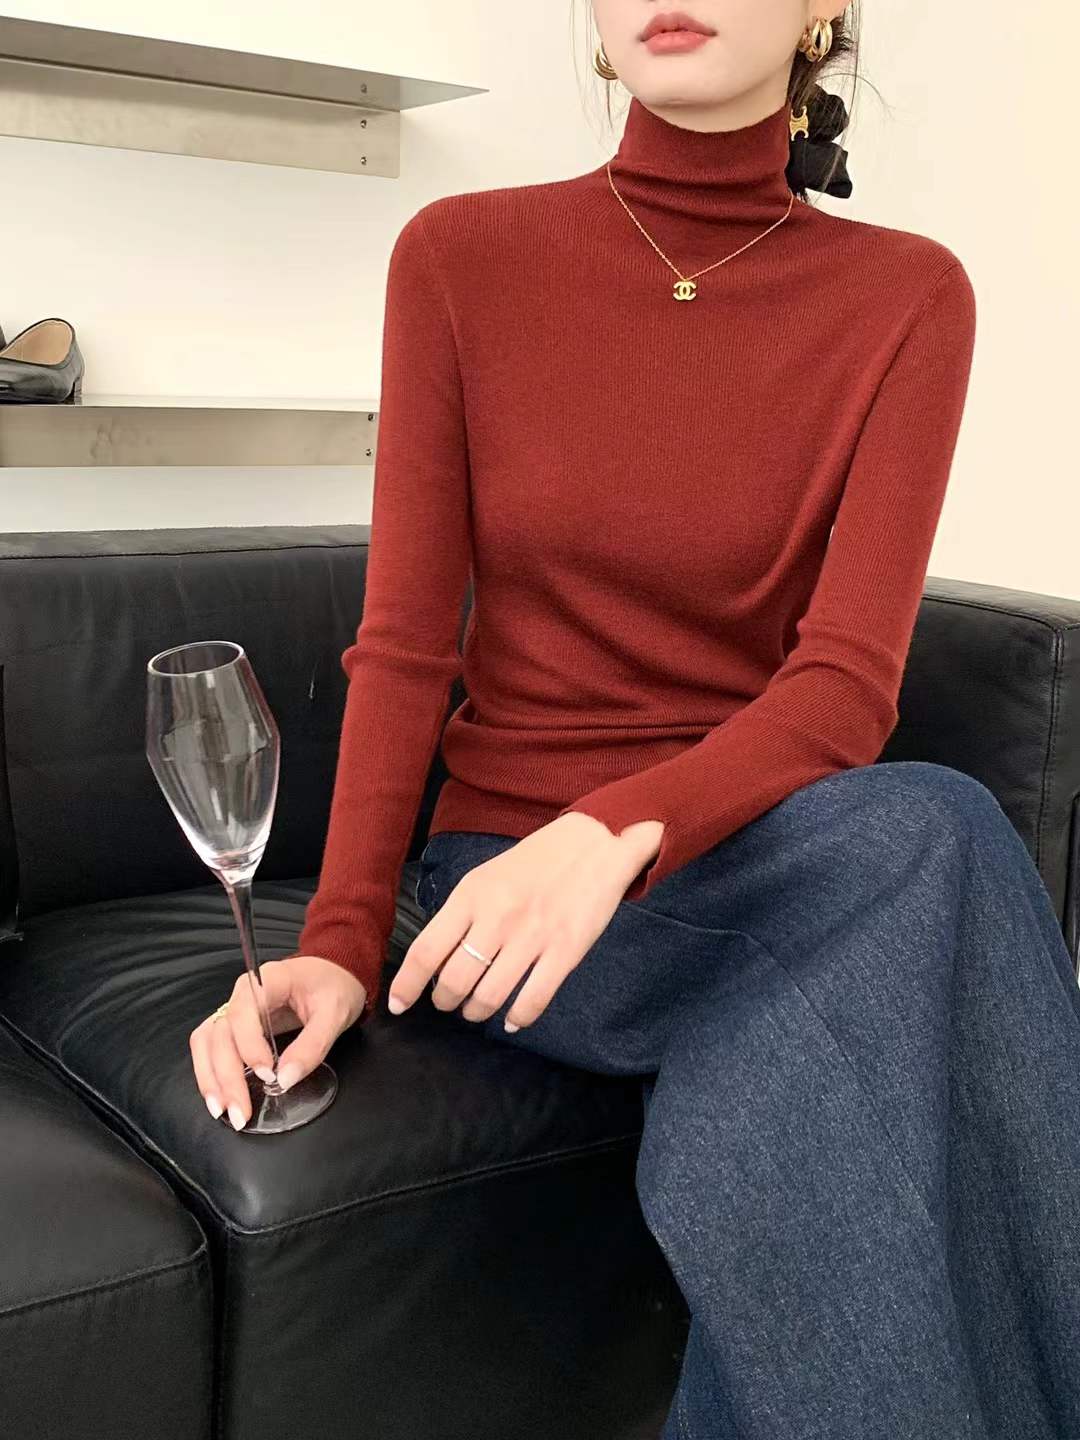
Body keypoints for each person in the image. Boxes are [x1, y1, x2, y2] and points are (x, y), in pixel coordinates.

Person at [189, 2, 1080, 1434]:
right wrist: (342, 944)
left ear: (826, 10)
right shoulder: (461, 259)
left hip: (749, 854)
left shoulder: (908, 298)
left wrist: (614, 830)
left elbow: (844, 688)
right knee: (941, 848)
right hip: (508, 884)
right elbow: (406, 646)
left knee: (885, 903)